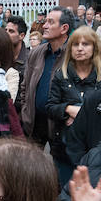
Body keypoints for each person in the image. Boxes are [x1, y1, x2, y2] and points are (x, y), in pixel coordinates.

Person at [46, 26, 101, 183]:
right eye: (75, 44)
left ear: (95, 47)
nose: (80, 48)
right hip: (64, 149)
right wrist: (68, 109)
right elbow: (50, 107)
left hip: (95, 149)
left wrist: (81, 115)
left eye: (86, 44)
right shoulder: (62, 75)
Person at [20, 7, 74, 145]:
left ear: (64, 28)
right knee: (32, 166)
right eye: (45, 21)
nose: (44, 25)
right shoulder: (36, 53)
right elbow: (25, 85)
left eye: (50, 22)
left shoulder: (73, 56)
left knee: (57, 166)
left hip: (60, 126)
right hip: (34, 123)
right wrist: (26, 110)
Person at [6, 15, 30, 83]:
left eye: (11, 31)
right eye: (6, 30)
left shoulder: (30, 59)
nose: (6, 33)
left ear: (21, 36)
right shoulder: (1, 56)